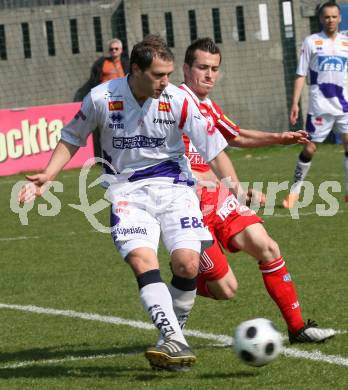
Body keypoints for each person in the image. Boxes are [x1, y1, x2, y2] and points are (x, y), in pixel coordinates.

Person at [18, 35, 247, 372]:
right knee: (143, 260)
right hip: (127, 193)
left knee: (187, 265)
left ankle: (173, 338)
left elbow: (213, 149)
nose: (165, 82)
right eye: (158, 75)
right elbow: (71, 138)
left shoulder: (179, 100)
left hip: (176, 189)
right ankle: (175, 339)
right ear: (135, 70)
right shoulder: (101, 98)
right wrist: (47, 177)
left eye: (168, 74)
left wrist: (235, 189)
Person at [176, 37, 335, 345]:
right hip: (186, 206)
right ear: (185, 69)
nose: (209, 75)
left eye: (214, 69)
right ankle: (182, 280)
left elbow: (235, 136)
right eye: (202, 68)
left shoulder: (207, 105)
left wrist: (280, 138)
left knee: (268, 247)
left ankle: (298, 328)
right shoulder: (172, 100)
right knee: (226, 289)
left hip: (216, 197)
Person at [283, 1, 348, 208]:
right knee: (310, 148)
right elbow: (301, 73)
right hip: (320, 106)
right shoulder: (311, 42)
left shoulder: (346, 43)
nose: (330, 20)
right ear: (320, 19)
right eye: (326, 17)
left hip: (344, 106)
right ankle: (294, 192)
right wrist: (295, 103)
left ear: (339, 18)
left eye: (334, 16)